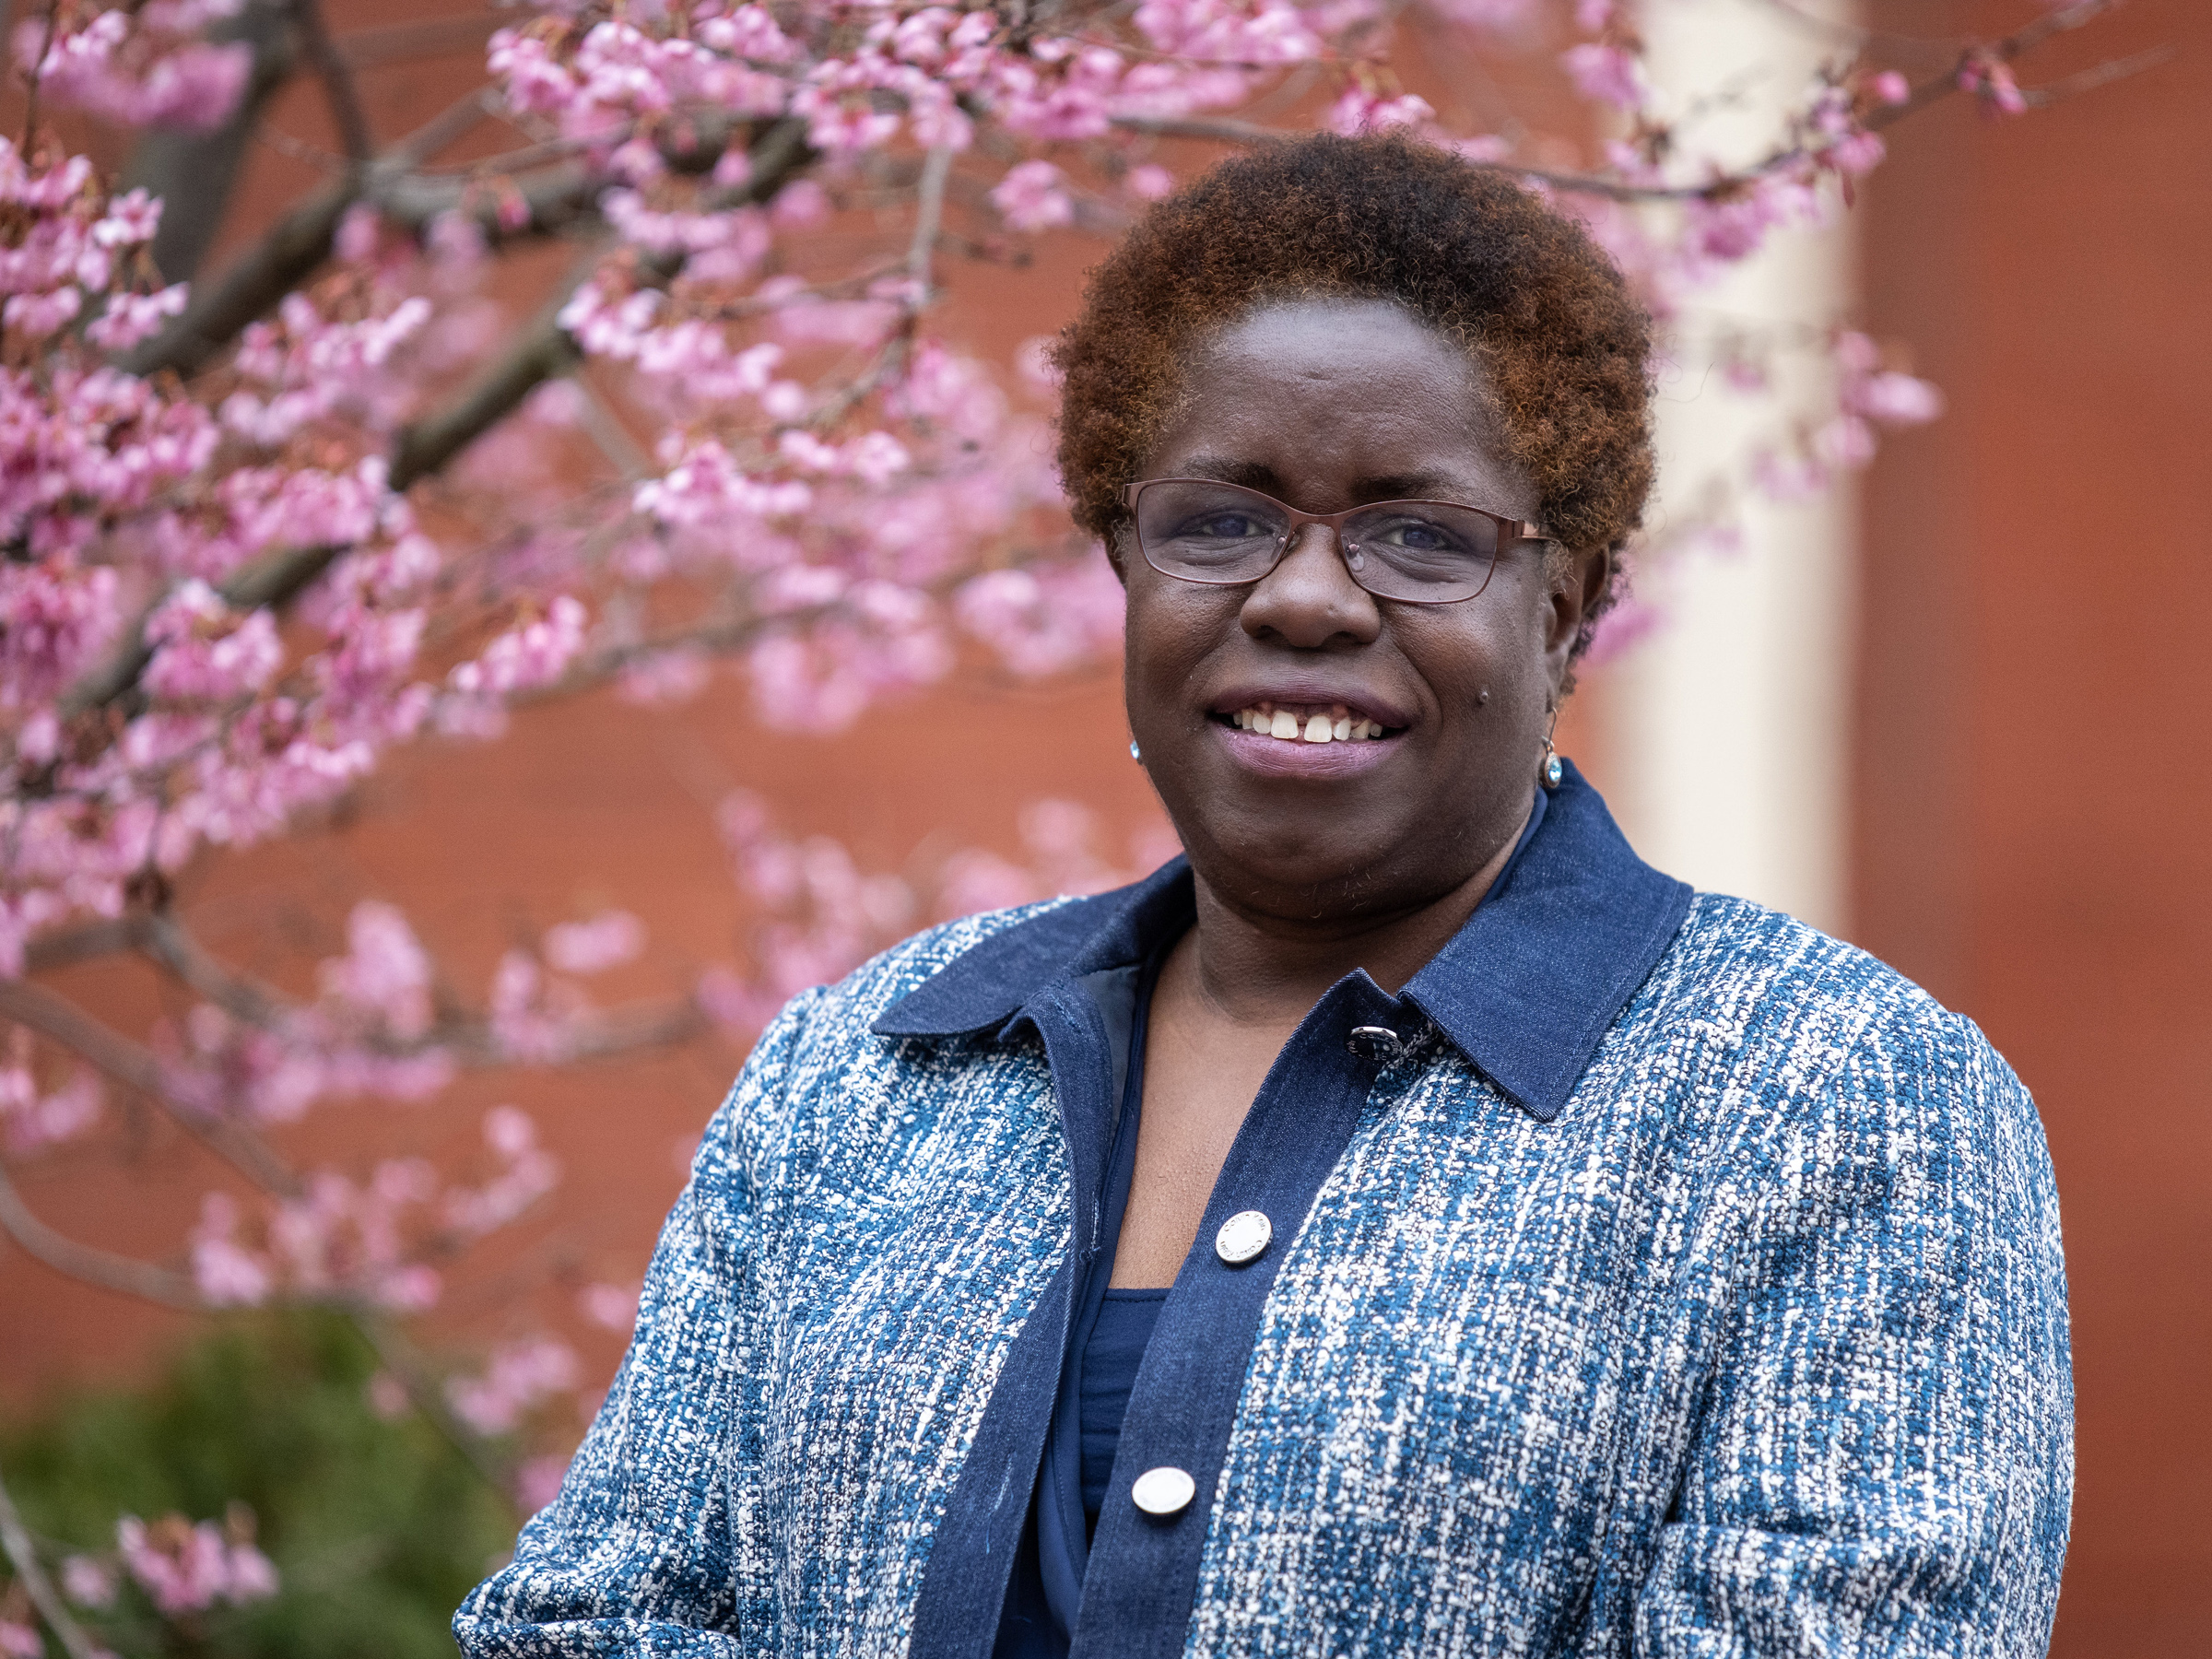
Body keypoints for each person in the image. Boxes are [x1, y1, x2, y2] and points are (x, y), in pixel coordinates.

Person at [453, 135, 2071, 1658]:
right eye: (1220, 521)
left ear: (1568, 607)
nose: (1302, 598)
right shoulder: (864, 1071)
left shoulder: (1843, 1107)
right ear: (1126, 567)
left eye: (1418, 537)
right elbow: (583, 1621)